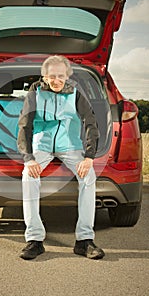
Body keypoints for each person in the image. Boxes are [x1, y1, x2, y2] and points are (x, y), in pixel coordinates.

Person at [17, 55, 105, 260]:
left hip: (70, 146)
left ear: (67, 76)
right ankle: (35, 240)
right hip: (42, 145)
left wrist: (89, 157)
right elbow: (24, 125)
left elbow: (91, 124)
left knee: (88, 176)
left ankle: (84, 241)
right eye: (52, 76)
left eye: (61, 76)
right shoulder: (35, 93)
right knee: (28, 176)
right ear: (44, 76)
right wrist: (28, 158)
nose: (57, 80)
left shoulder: (76, 94)